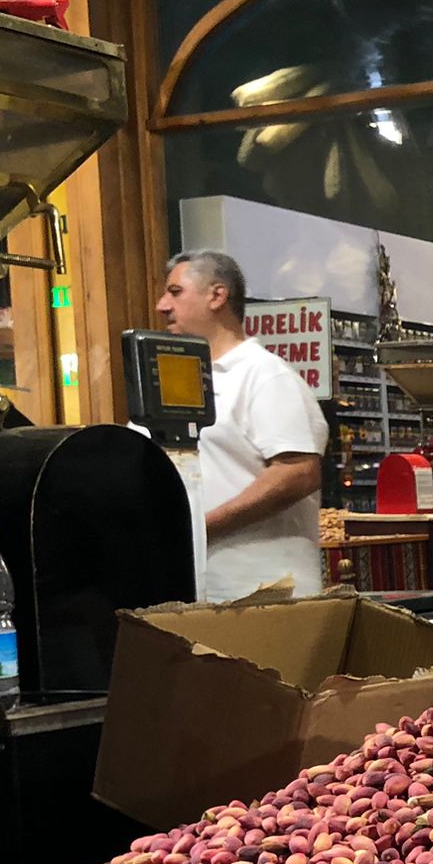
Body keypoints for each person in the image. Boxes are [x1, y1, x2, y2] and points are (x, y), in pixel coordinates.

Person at [157, 250, 329, 602]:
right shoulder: (175, 381)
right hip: (200, 593)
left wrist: (199, 529)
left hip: (265, 596)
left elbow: (298, 472)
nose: (162, 305)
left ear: (217, 295)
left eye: (175, 292)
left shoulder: (265, 376)